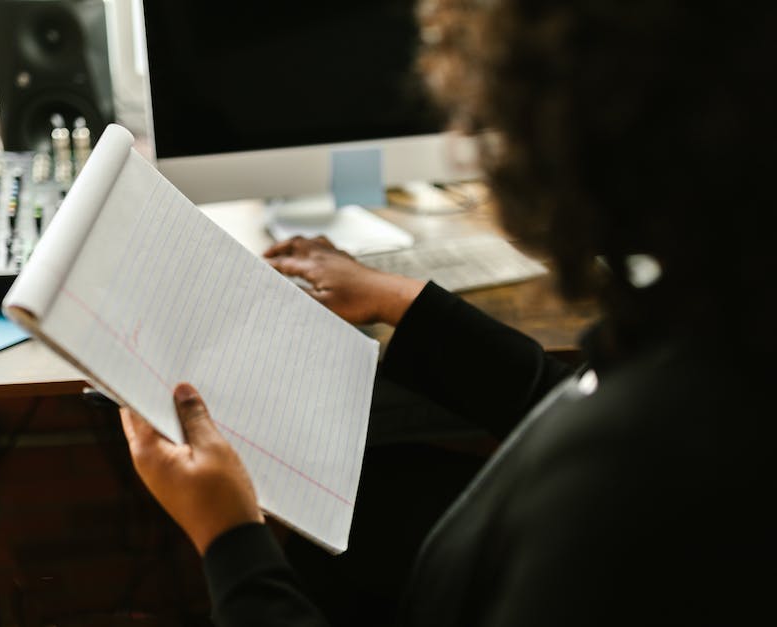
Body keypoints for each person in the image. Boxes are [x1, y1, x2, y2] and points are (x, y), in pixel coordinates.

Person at [119, 0, 777, 625]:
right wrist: (402, 300)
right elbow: (566, 390)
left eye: (490, 121)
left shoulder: (614, 505)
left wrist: (231, 541)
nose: (469, 139)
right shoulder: (714, 307)